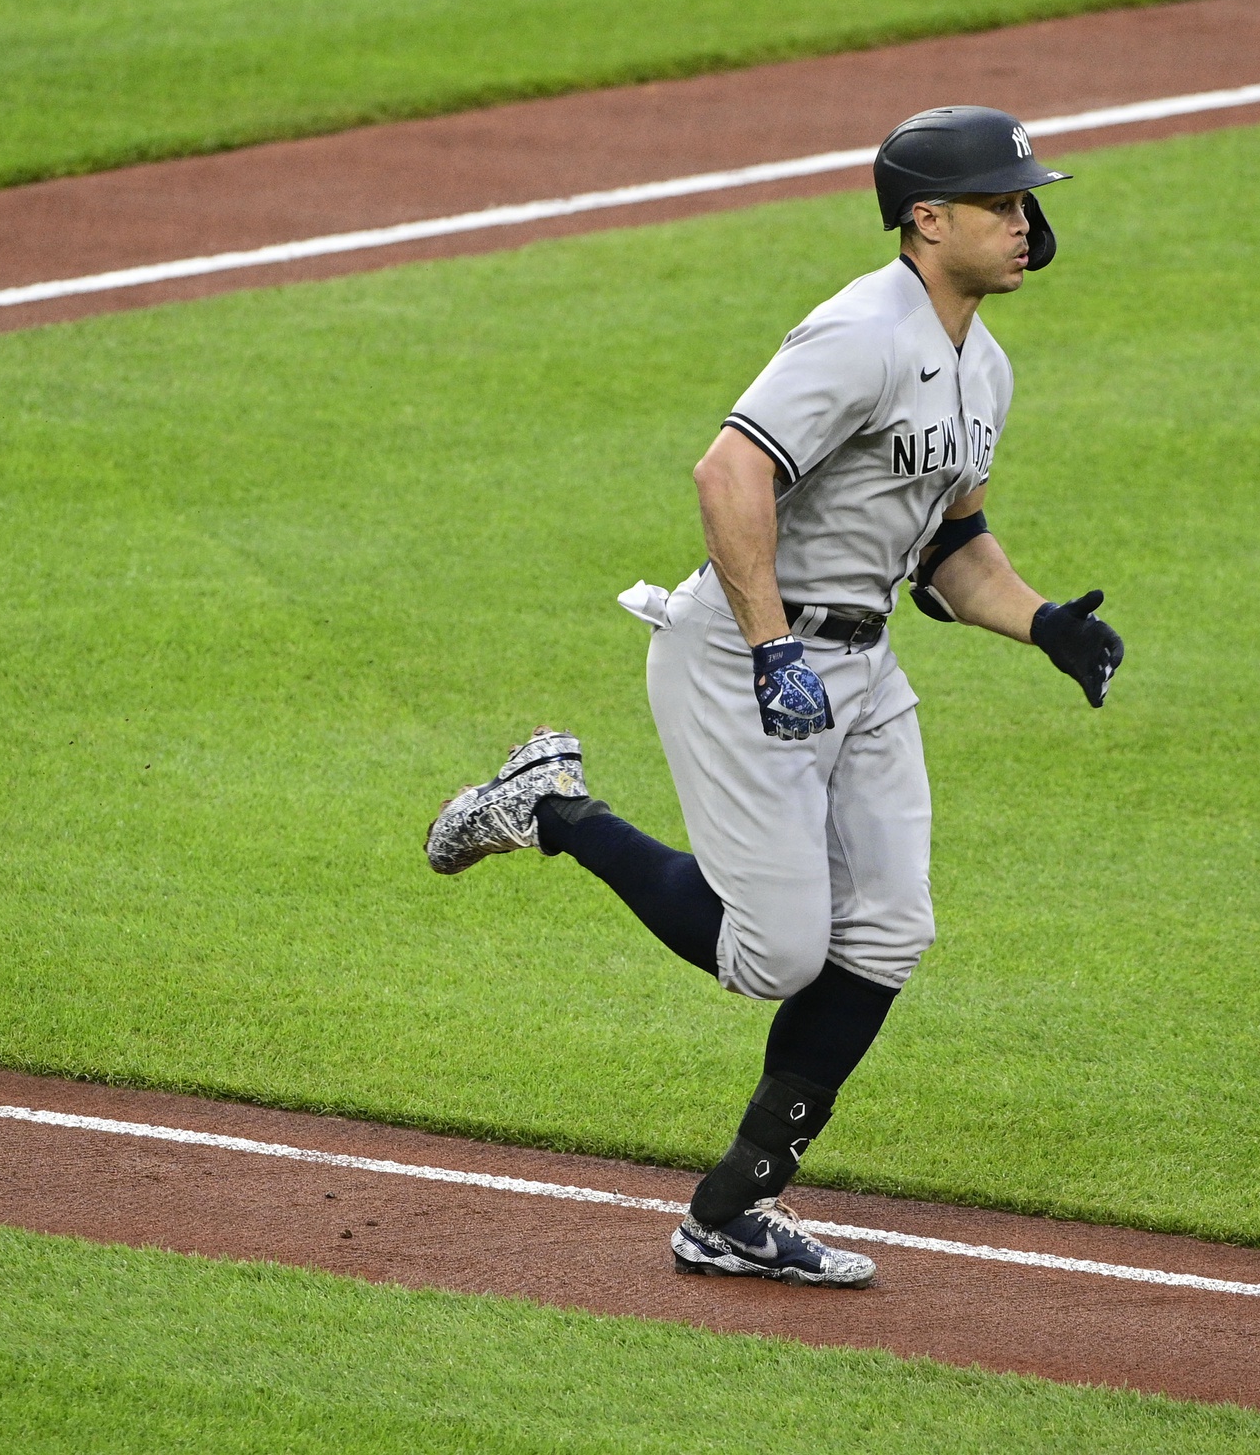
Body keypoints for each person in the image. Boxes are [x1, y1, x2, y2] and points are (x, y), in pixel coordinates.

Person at [424, 106, 1125, 1287]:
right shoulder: (860, 333)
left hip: (862, 665)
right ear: (926, 219)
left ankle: (734, 1209)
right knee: (774, 954)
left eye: (1025, 200)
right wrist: (769, 647)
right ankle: (551, 806)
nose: (1024, 220)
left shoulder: (982, 364)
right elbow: (729, 469)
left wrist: (1044, 620)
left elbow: (955, 551)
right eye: (1001, 202)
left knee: (890, 928)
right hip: (746, 653)